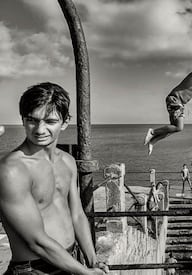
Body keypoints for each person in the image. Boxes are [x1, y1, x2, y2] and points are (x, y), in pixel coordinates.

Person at [0, 82, 108, 274]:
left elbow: (77, 215)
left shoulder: (67, 161)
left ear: (65, 122)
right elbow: (36, 241)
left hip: (71, 261)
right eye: (32, 120)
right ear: (23, 120)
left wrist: (92, 260)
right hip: (34, 269)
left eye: (50, 121)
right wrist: (85, 272)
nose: (40, 130)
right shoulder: (12, 170)